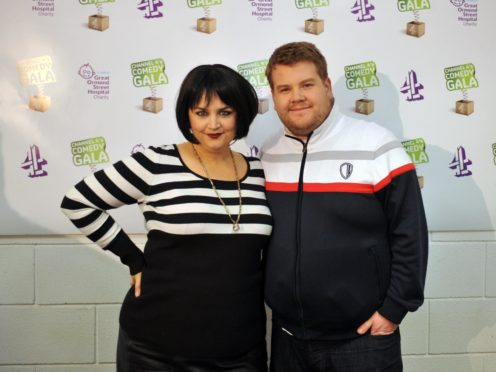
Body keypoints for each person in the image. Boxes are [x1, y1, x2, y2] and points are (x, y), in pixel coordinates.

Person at [61, 64, 272, 371]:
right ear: (187, 116)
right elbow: (77, 202)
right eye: (201, 112)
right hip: (154, 349)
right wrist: (132, 257)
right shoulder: (157, 162)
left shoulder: (259, 172)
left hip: (240, 351)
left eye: (224, 112)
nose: (213, 123)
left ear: (241, 113)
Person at [260, 42, 428, 371]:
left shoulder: (378, 147)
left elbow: (410, 235)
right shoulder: (267, 154)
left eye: (306, 84)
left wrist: (393, 311)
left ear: (326, 86)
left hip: (362, 342)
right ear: (274, 96)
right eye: (284, 88)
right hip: (288, 339)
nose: (296, 97)